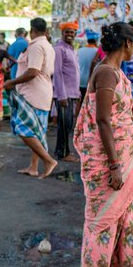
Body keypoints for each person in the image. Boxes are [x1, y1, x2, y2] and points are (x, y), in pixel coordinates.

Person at [74, 22, 133, 267]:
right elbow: (103, 120)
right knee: (104, 217)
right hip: (110, 159)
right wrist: (115, 165)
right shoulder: (106, 73)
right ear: (127, 43)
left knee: (130, 215)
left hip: (126, 154)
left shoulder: (114, 72)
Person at [4, 17, 58, 178]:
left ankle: (48, 160)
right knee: (36, 131)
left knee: (23, 128)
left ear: (32, 30)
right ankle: (33, 167)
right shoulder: (47, 45)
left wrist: (12, 82)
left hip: (33, 93)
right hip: (40, 92)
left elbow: (32, 72)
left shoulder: (37, 46)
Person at [53, 22, 80, 162]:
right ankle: (63, 153)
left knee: (68, 125)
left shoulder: (71, 49)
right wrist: (61, 95)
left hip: (72, 94)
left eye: (72, 32)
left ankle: (61, 150)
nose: (69, 34)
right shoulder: (59, 49)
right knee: (64, 125)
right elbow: (57, 73)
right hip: (64, 95)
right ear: (62, 33)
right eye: (67, 32)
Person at [78, 31, 100, 101]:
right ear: (96, 41)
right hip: (91, 81)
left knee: (80, 101)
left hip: (80, 81)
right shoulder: (97, 52)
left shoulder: (80, 50)